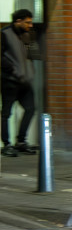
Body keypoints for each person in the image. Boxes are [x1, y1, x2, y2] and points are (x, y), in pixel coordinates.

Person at [1, 9, 39, 156]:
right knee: (6, 114)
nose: (30, 25)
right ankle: (7, 145)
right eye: (27, 22)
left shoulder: (29, 35)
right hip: (10, 81)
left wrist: (31, 72)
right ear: (18, 21)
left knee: (31, 109)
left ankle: (21, 141)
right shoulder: (4, 34)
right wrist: (12, 70)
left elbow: (34, 55)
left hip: (25, 81)